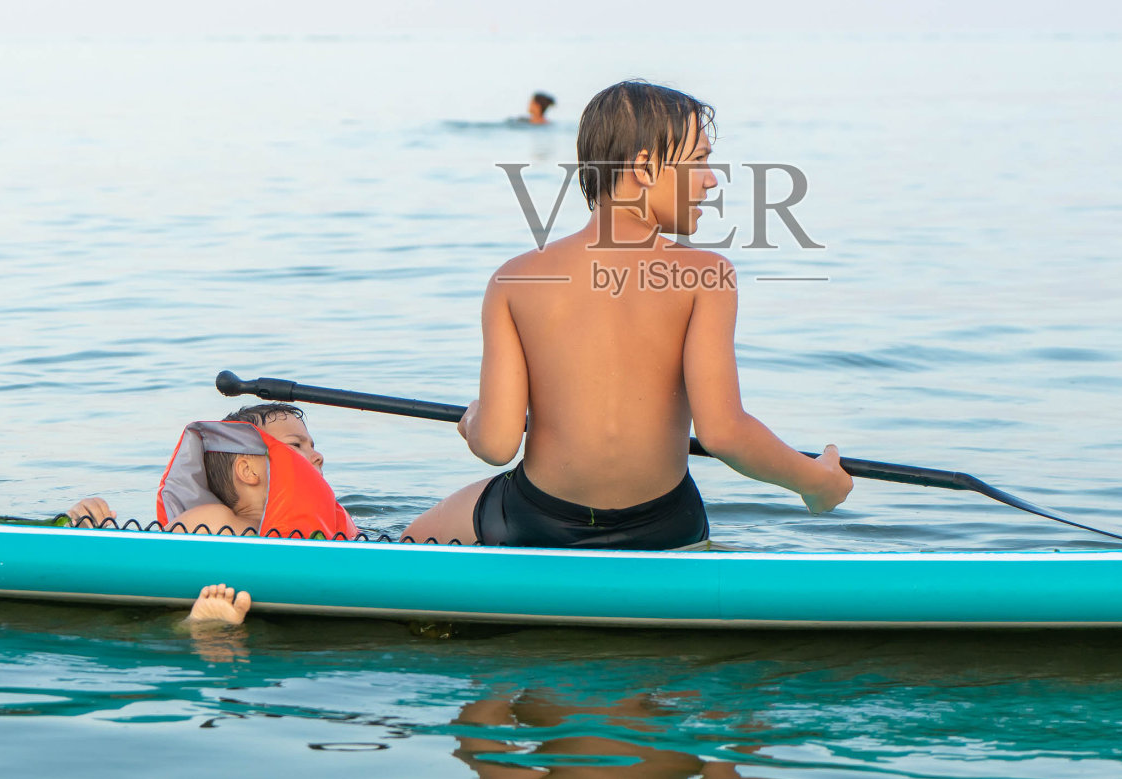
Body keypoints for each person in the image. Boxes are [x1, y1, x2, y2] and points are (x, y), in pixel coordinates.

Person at [401, 79, 852, 549]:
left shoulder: (514, 279)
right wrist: (817, 482)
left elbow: (496, 446)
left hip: (537, 521)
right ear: (643, 167)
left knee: (408, 540)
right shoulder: (705, 275)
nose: (713, 178)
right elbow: (724, 433)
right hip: (667, 525)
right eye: (698, 160)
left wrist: (475, 420)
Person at [66, 403, 324, 528]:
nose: (318, 455)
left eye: (312, 445)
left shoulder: (326, 523)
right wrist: (98, 529)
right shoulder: (215, 521)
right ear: (248, 471)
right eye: (296, 445)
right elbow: (143, 563)